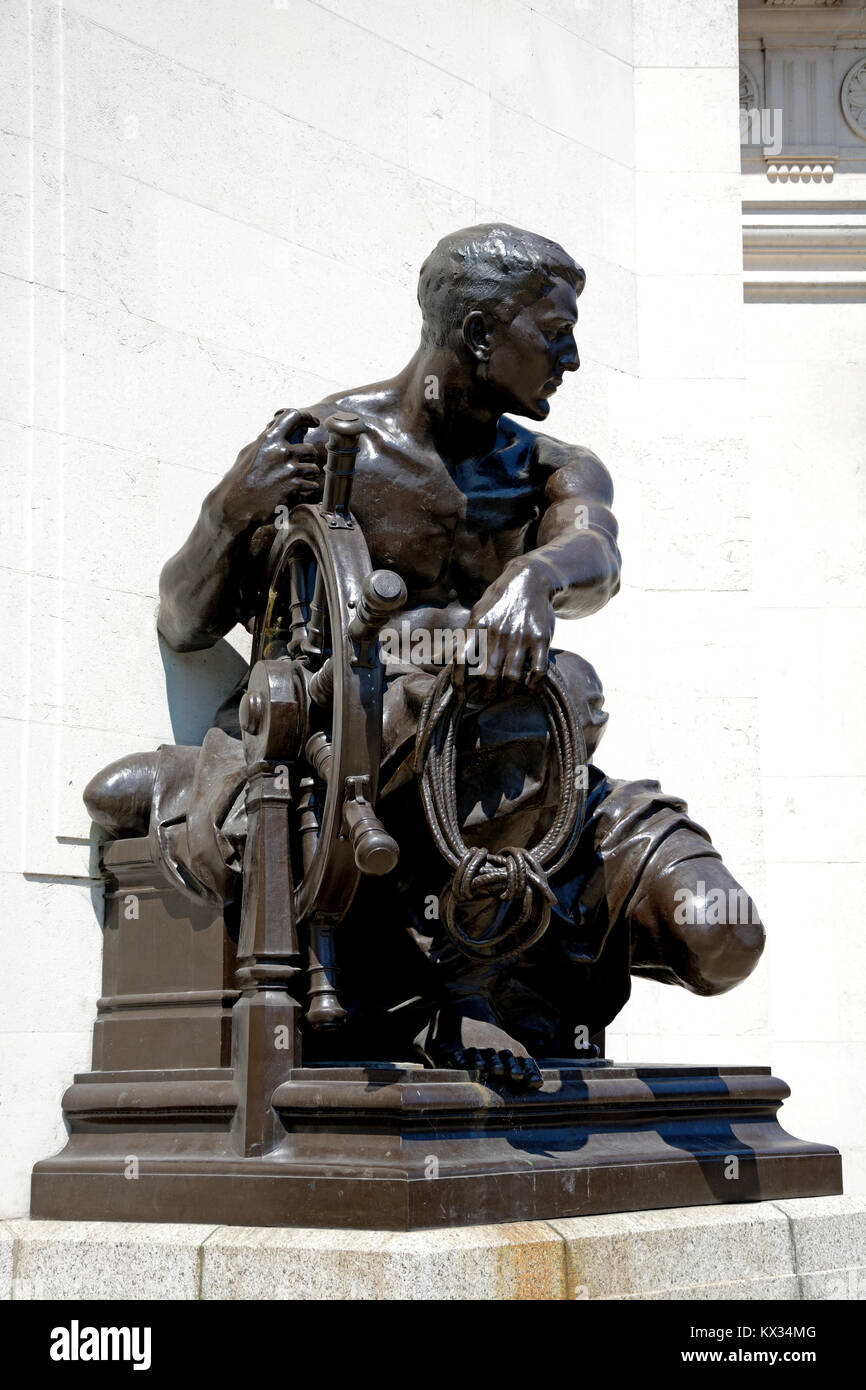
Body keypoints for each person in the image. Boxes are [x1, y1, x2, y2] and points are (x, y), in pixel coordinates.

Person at [85, 224, 764, 1088]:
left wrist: (536, 576)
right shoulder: (327, 448)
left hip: (527, 766)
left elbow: (598, 553)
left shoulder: (553, 469)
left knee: (722, 933)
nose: (575, 359)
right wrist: (227, 513)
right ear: (481, 335)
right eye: (554, 335)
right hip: (362, 774)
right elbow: (184, 620)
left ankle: (510, 949)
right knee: (504, 701)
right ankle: (464, 986)